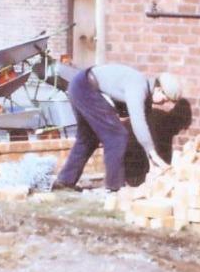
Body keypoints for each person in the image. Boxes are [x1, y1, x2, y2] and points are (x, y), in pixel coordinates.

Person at [53, 65, 182, 192]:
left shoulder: (147, 95)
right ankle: (115, 188)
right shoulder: (139, 86)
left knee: (88, 138)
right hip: (85, 87)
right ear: (159, 89)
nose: (163, 103)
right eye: (165, 99)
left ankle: (65, 181)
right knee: (117, 137)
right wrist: (154, 155)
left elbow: (146, 129)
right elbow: (138, 122)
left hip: (81, 85)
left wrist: (151, 159)